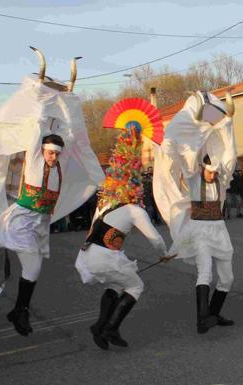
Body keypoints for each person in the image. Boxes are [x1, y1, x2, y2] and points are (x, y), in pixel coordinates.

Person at [0, 60, 104, 336]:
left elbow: (69, 132)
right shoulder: (34, 158)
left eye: (57, 153)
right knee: (31, 269)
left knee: (34, 269)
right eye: (50, 152)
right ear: (42, 149)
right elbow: (37, 125)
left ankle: (18, 310)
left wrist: (66, 102)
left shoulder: (60, 164)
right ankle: (20, 312)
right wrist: (43, 96)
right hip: (21, 220)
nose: (53, 156)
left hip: (40, 224)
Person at [75, 126, 171, 350]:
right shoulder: (133, 210)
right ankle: (110, 328)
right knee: (136, 287)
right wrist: (164, 255)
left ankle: (99, 325)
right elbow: (155, 239)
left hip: (88, 255)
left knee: (116, 286)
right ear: (136, 185)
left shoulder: (104, 204)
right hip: (106, 257)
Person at [155, 91, 237, 334]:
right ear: (202, 167)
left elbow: (229, 156)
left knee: (228, 278)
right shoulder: (192, 176)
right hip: (199, 230)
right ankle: (202, 318)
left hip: (219, 229)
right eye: (209, 170)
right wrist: (168, 144)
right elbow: (179, 155)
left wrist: (226, 125)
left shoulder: (222, 179)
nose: (212, 174)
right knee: (205, 272)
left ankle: (213, 313)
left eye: (215, 170)